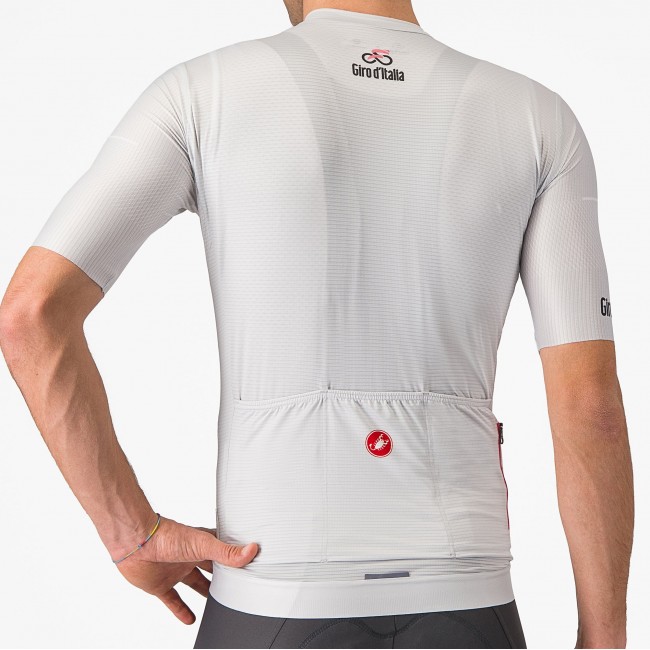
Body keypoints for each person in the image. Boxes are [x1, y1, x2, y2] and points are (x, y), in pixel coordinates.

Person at [0, 0, 633, 648]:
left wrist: (131, 533)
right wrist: (605, 637)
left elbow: (32, 315)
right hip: (468, 598)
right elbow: (591, 404)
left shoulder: (202, 92)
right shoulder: (536, 117)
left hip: (271, 592)